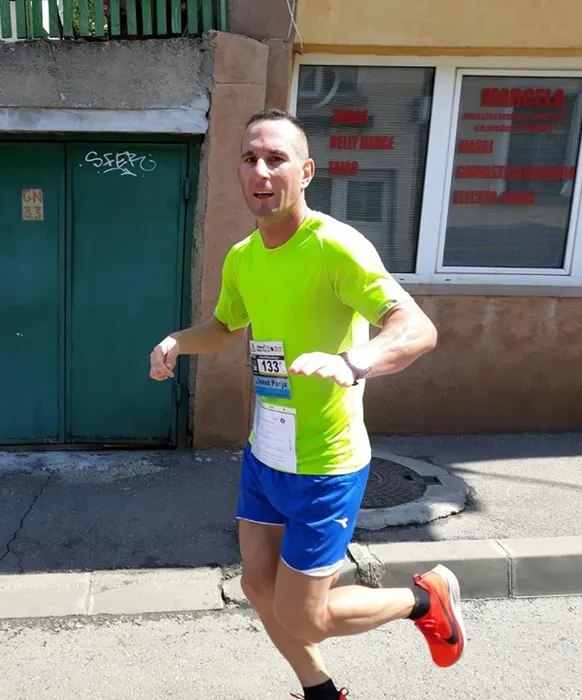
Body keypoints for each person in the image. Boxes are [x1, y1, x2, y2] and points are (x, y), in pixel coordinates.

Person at [148, 108, 466, 699]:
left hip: (325, 463)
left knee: (307, 616)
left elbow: (416, 328)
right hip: (265, 456)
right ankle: (321, 692)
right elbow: (224, 327)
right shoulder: (243, 257)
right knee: (257, 588)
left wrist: (354, 362)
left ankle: (424, 599)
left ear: (306, 171)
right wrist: (177, 342)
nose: (261, 171)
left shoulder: (334, 246)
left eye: (276, 158)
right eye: (250, 159)